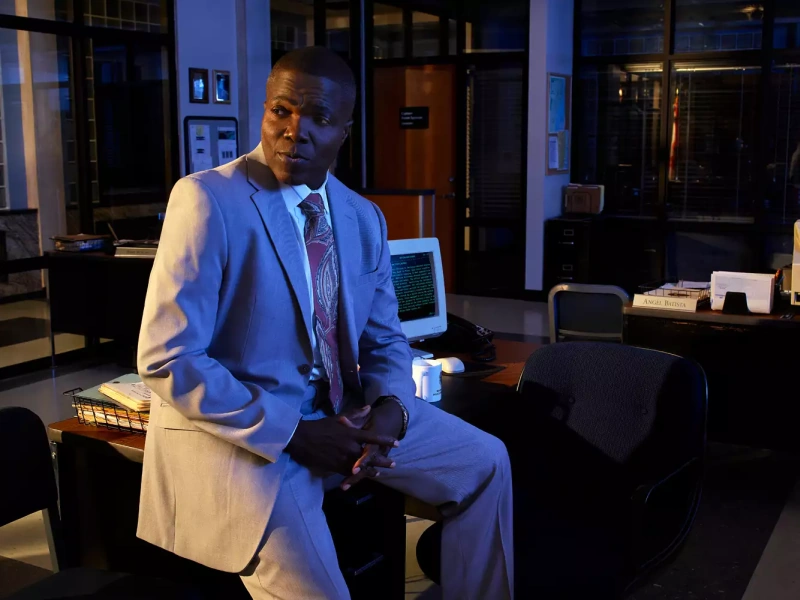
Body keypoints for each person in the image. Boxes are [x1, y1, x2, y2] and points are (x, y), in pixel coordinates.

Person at [136, 47, 513, 600]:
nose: (295, 131)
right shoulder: (207, 200)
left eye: (318, 117)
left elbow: (385, 339)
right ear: (265, 111)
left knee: (486, 463)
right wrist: (296, 433)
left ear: (344, 132)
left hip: (347, 417)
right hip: (258, 436)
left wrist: (391, 410)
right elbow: (167, 356)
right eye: (281, 111)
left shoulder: (362, 217)